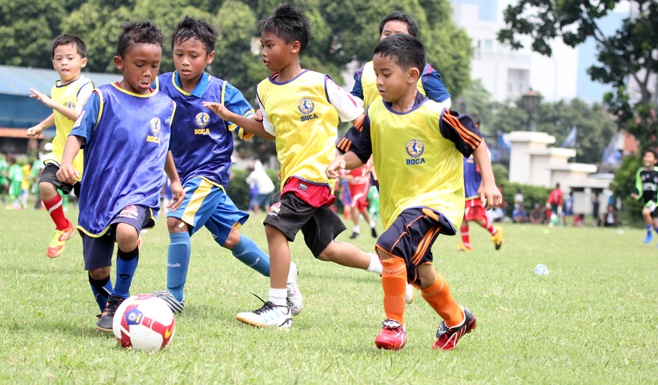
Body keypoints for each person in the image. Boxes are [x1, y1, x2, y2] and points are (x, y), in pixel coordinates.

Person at [204, 4, 413, 329]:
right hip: (292, 178)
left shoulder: (320, 83)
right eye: (262, 45)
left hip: (314, 175)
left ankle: (278, 307)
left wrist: (361, 151)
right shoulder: (264, 89)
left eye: (270, 45)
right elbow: (269, 131)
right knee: (325, 250)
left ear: (294, 46)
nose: (263, 52)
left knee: (273, 226)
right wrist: (232, 117)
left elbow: (360, 114)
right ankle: (389, 269)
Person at [327, 33, 502, 351]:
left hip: (436, 201)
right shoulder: (376, 113)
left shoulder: (436, 114)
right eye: (376, 74)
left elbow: (477, 142)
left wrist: (488, 182)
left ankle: (394, 325)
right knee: (421, 275)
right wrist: (342, 161)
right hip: (399, 206)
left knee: (389, 248)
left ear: (412, 76)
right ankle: (457, 319)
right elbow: (358, 152)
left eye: (386, 74)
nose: (378, 82)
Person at [151, 16, 301, 315]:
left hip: (208, 175)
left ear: (209, 57)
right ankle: (284, 279)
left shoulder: (221, 91)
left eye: (193, 56)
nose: (185, 61)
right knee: (231, 238)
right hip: (180, 175)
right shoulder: (160, 85)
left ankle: (174, 296)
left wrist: (256, 117)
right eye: (179, 54)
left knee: (176, 222)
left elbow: (250, 123)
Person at [56, 20, 184, 333]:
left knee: (128, 233)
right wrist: (66, 161)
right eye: (139, 65)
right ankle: (116, 315)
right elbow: (77, 135)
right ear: (120, 63)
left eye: (154, 65)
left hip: (139, 191)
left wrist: (175, 179)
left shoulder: (165, 106)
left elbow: (163, 146)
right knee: (98, 270)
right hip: (98, 194)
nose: (148, 72)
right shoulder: (103, 99)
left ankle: (120, 298)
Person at [26, 34, 94, 257]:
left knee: (93, 217)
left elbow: (80, 116)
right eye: (59, 58)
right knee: (45, 185)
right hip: (60, 152)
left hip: (86, 158)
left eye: (70, 58)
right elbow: (59, 113)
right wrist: (42, 126)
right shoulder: (57, 88)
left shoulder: (85, 86)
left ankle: (127, 236)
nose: (64, 62)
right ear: (53, 63)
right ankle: (63, 226)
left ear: (82, 61)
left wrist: (49, 102)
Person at [350, 11, 451, 109]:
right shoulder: (365, 70)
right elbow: (354, 102)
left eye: (398, 34)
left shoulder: (424, 71)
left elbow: (444, 103)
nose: (392, 38)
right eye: (387, 34)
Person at [455, 114, 502, 252]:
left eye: (473, 127)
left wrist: (483, 186)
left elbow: (484, 169)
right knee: (462, 216)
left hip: (474, 188)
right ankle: (466, 245)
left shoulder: (481, 146)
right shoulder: (461, 142)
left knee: (476, 217)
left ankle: (495, 232)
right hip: (463, 187)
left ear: (478, 128)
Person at [341, 165, 377, 239]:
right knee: (361, 207)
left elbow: (350, 177)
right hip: (353, 189)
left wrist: (340, 176)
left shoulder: (361, 160)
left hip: (362, 186)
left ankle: (356, 230)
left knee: (353, 204)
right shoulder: (345, 165)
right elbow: (349, 178)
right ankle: (371, 224)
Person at [631, 149, 658, 243]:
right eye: (646, 156)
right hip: (647, 200)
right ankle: (651, 231)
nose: (647, 158)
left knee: (645, 212)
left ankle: (649, 233)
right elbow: (639, 186)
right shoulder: (641, 172)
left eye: (650, 156)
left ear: (655, 160)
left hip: (656, 201)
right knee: (655, 223)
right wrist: (636, 194)